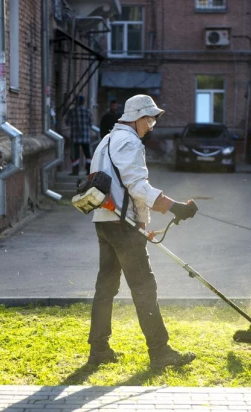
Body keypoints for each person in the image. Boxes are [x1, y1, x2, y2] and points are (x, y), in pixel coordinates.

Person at [87, 94, 198, 369]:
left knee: (106, 288)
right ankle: (160, 353)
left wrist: (142, 222)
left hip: (105, 222)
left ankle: (99, 350)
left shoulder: (106, 141)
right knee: (144, 288)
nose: (151, 126)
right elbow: (137, 186)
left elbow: (114, 186)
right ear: (136, 117)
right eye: (149, 119)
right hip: (121, 227)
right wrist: (174, 207)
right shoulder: (129, 142)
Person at [65, 95, 93, 176]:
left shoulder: (71, 111)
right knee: (88, 154)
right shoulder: (88, 111)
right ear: (83, 102)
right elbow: (91, 124)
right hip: (86, 136)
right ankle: (88, 170)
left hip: (75, 136)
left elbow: (67, 123)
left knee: (75, 154)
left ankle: (75, 171)